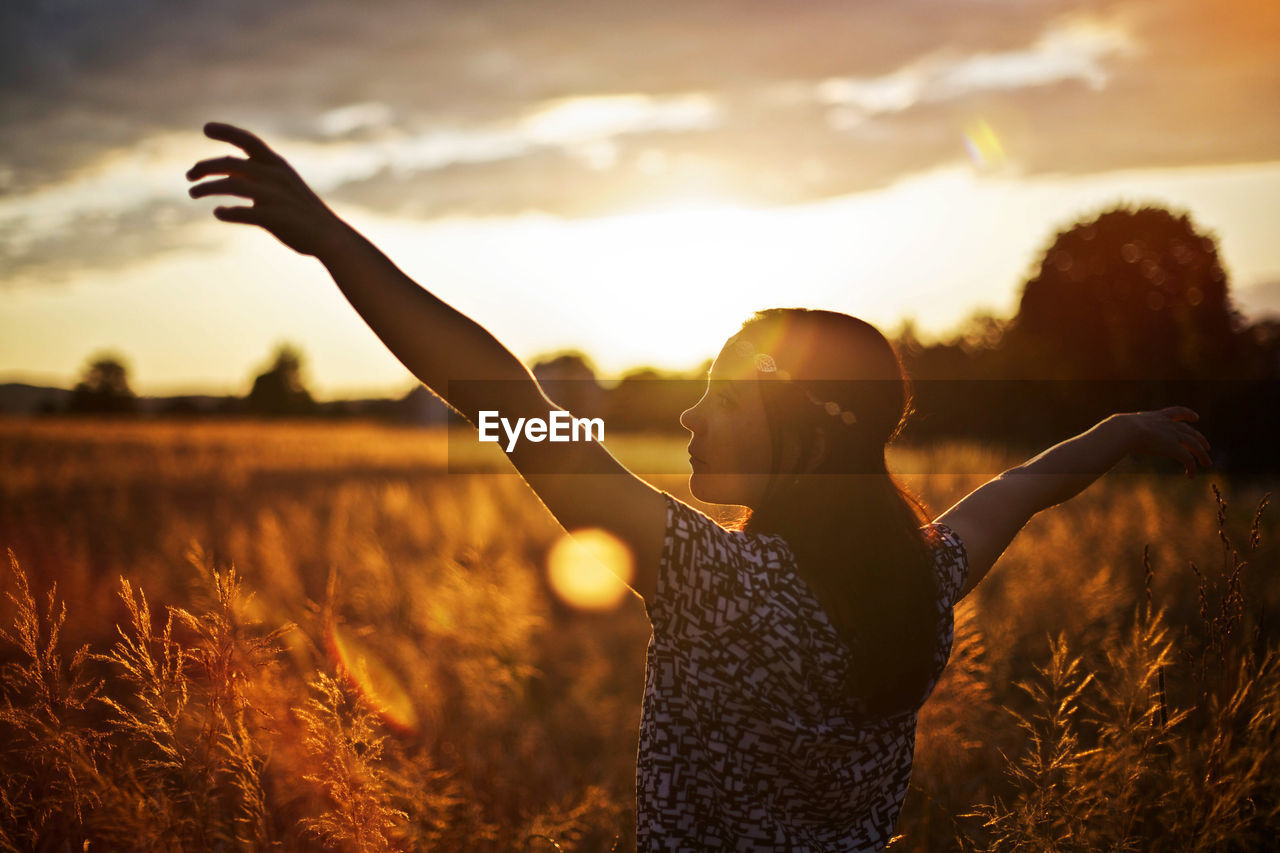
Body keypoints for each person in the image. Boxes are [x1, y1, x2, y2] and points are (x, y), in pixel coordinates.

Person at [186, 122, 1214, 851]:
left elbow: (499, 399)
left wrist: (332, 241)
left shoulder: (711, 582)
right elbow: (1023, 487)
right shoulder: (923, 578)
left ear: (806, 428)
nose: (688, 417)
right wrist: (1119, 428)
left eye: (720, 397)